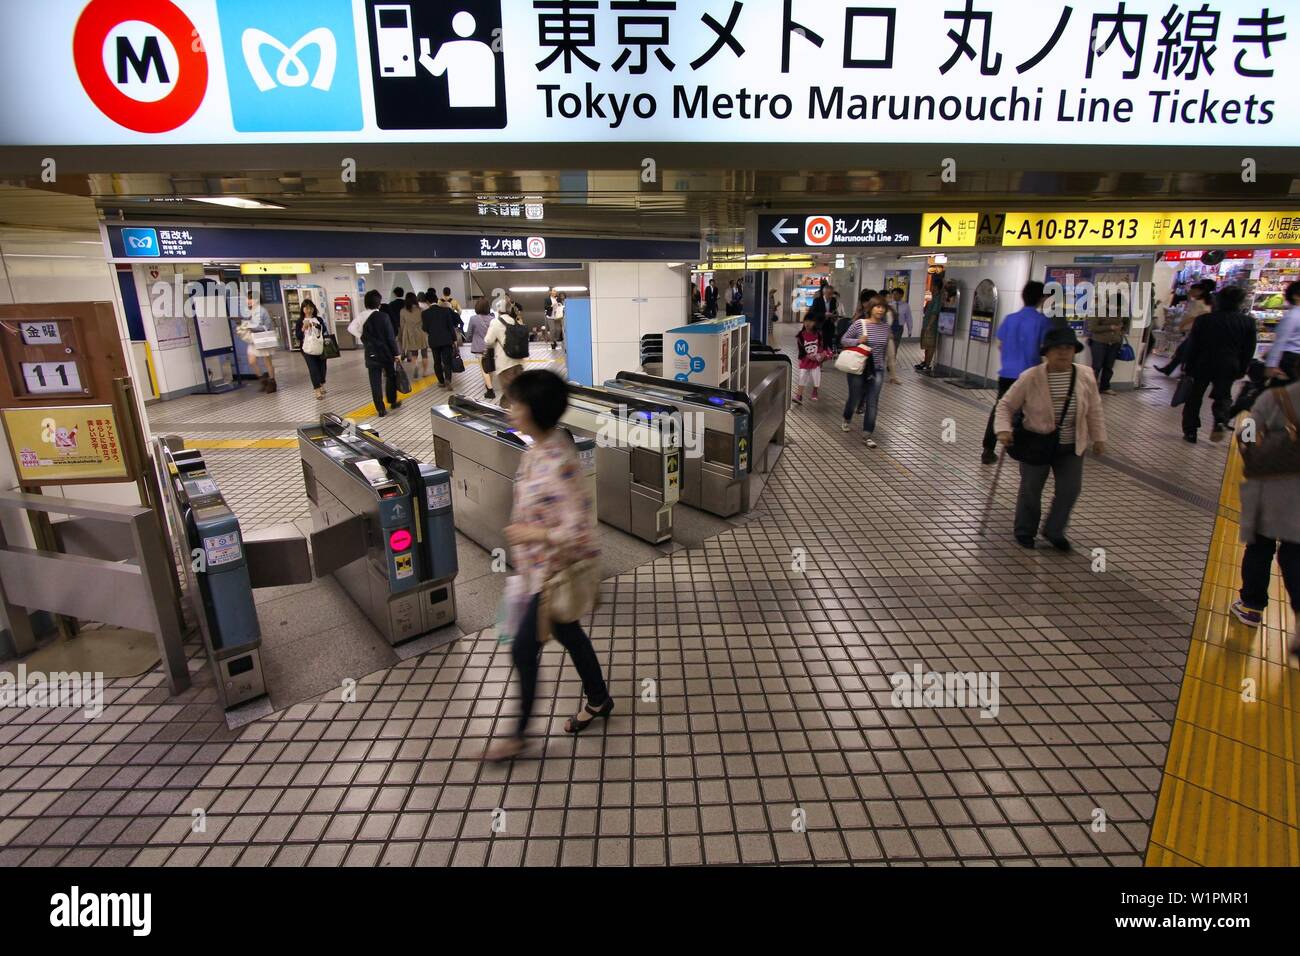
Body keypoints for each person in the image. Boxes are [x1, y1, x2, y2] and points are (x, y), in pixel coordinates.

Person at [483, 370, 613, 762]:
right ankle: (599, 699)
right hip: (537, 573)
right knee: (569, 633)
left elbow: (577, 530)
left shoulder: (557, 458)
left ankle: (519, 735)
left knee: (523, 652)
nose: (510, 411)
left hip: (554, 573)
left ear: (535, 410)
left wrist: (531, 535)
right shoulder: (540, 445)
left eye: (516, 404)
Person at [995, 326, 1106, 551]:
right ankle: (1025, 531)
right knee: (1031, 489)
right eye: (1057, 349)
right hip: (1036, 442)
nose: (1063, 353)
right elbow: (1006, 405)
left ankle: (1054, 530)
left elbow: (1094, 408)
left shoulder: (1085, 375)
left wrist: (1099, 437)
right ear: (1046, 352)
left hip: (1071, 444)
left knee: (1070, 489)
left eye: (1068, 348)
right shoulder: (1031, 376)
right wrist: (1003, 430)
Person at [1230, 376, 1300, 663]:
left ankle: (1251, 605)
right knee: (1296, 554)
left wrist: (1254, 455)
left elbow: (1245, 434)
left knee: (1259, 546)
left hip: (1271, 487)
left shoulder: (1276, 397)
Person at [982, 281, 1054, 464]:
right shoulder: (1042, 322)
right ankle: (1023, 448)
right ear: (1041, 298)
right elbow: (1045, 350)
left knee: (1001, 409)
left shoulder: (1010, 319)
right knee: (1029, 412)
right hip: (1030, 375)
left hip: (1007, 373)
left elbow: (1000, 344)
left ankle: (988, 449)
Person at [1180, 285, 1256, 443]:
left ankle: (1190, 431)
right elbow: (1249, 349)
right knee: (1223, 396)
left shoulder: (1204, 320)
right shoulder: (1247, 322)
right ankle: (1220, 421)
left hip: (1202, 362)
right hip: (1229, 364)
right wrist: (1243, 367)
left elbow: (1193, 344)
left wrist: (1187, 363)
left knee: (1194, 396)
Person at [840, 295, 896, 449]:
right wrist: (858, 341)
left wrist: (892, 372)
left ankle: (867, 435)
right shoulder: (860, 324)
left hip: (877, 369)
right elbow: (843, 340)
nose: (880, 309)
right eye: (877, 306)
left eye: (883, 307)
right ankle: (847, 417)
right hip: (858, 367)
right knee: (855, 398)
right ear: (870, 308)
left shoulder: (885, 328)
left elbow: (888, 351)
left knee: (872, 402)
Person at [1156, 279, 1213, 375]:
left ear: (1200, 291)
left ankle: (1181, 371)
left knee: (1184, 351)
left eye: (1193, 290)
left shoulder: (1199, 303)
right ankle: (1171, 369)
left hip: (1196, 331)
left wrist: (1182, 325)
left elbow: (1192, 317)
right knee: (1183, 351)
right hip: (1200, 331)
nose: (1190, 292)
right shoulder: (1207, 302)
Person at [360, 289, 401, 417]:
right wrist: (396, 353)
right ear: (378, 304)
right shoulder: (383, 316)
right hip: (385, 353)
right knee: (390, 376)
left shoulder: (361, 317)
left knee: (375, 382)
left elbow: (352, 329)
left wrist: (365, 340)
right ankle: (392, 401)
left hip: (371, 353)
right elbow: (390, 337)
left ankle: (380, 409)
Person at [484, 300, 529, 404]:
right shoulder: (514, 320)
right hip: (518, 361)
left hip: (504, 364)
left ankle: (511, 416)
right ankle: (507, 411)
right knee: (514, 391)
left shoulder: (495, 322)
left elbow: (488, 341)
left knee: (509, 394)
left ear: (498, 309)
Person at [1086, 300, 1127, 395]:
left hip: (1114, 343)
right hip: (1099, 342)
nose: (1116, 309)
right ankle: (1091, 388)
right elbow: (1092, 327)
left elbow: (1125, 323)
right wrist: (1110, 327)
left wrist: (1122, 330)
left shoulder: (1121, 312)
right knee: (1096, 366)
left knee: (1109, 366)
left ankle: (1105, 387)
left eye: (1118, 307)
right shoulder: (1097, 311)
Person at [1263, 280, 1300, 382]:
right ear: (1296, 296)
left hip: (1291, 359)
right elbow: (1280, 341)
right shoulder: (1293, 316)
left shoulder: (1293, 316)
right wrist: (1271, 363)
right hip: (1291, 360)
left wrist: (1271, 363)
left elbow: (1280, 341)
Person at [421, 295, 462, 387]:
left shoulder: (425, 313)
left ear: (427, 302)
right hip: (446, 340)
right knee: (447, 361)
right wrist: (454, 339)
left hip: (434, 341)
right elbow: (450, 327)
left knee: (437, 361)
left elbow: (424, 328)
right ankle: (448, 379)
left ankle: (441, 381)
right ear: (437, 300)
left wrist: (431, 332)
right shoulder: (445, 311)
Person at [243, 292, 278, 393]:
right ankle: (263, 380)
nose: (248, 301)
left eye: (251, 299)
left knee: (267, 361)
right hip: (253, 339)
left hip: (264, 338)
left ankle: (272, 382)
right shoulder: (249, 311)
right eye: (247, 299)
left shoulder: (262, 311)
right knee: (252, 361)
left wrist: (250, 326)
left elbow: (266, 326)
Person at [295, 298, 328, 400]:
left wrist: (316, 326)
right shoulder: (300, 321)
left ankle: (322, 383)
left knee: (322, 368)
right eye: (306, 308)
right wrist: (303, 328)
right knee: (313, 369)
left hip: (320, 346)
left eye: (311, 308)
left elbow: (324, 331)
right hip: (307, 349)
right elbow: (298, 336)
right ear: (303, 309)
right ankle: (317, 390)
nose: (309, 310)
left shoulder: (319, 319)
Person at [466, 297, 497, 398]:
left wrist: (470, 338)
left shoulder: (473, 319)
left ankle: (490, 390)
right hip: (491, 347)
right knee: (490, 368)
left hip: (479, 348)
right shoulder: (493, 319)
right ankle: (488, 385)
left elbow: (469, 334)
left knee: (484, 369)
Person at [792, 314, 824, 404]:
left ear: (815, 323)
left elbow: (822, 346)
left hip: (816, 360)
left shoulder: (818, 334)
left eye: (811, 321)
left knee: (816, 376)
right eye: (806, 321)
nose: (808, 323)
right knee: (802, 376)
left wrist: (819, 356)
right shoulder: (801, 336)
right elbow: (801, 350)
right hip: (805, 360)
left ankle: (815, 391)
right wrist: (807, 356)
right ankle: (799, 395)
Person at [917, 273, 945, 372]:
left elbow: (934, 314)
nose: (931, 288)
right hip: (927, 325)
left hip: (931, 326)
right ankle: (925, 362)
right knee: (926, 345)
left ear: (936, 287)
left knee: (930, 345)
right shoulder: (933, 298)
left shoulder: (937, 299)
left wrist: (929, 326)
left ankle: (928, 364)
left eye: (932, 286)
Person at [398, 292, 428, 379]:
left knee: (414, 353)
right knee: (424, 353)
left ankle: (415, 366)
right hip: (421, 332)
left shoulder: (403, 311)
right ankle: (425, 372)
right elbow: (425, 322)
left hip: (409, 333)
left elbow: (402, 324)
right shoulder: (421, 310)